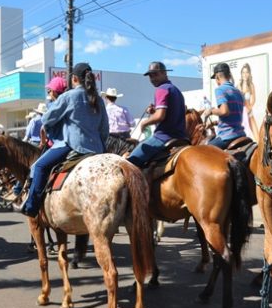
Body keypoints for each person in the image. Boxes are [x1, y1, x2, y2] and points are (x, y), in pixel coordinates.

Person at [18, 62, 109, 217]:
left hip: (73, 146)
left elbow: (46, 119)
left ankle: (31, 207)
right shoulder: (99, 99)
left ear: (74, 79)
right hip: (98, 148)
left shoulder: (69, 96)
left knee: (39, 166)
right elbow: (105, 129)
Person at [127, 61, 186, 168]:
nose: (153, 78)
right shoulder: (175, 90)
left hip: (163, 137)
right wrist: (154, 111)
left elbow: (160, 116)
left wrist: (145, 123)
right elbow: (169, 113)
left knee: (129, 164)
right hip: (181, 137)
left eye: (155, 74)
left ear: (164, 73)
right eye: (150, 76)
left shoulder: (161, 89)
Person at [202, 62, 246, 149]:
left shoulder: (220, 90)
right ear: (229, 75)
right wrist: (214, 123)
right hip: (241, 134)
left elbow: (224, 111)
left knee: (203, 151)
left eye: (215, 78)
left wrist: (210, 111)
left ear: (217, 77)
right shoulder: (238, 92)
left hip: (227, 136)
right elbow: (233, 117)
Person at [238, 63, 259, 141]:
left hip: (249, 110)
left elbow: (253, 99)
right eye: (243, 72)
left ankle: (259, 144)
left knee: (255, 130)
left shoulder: (251, 85)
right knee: (243, 130)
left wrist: (250, 108)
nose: (245, 74)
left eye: (247, 72)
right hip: (241, 111)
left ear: (249, 73)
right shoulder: (239, 85)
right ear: (241, 74)